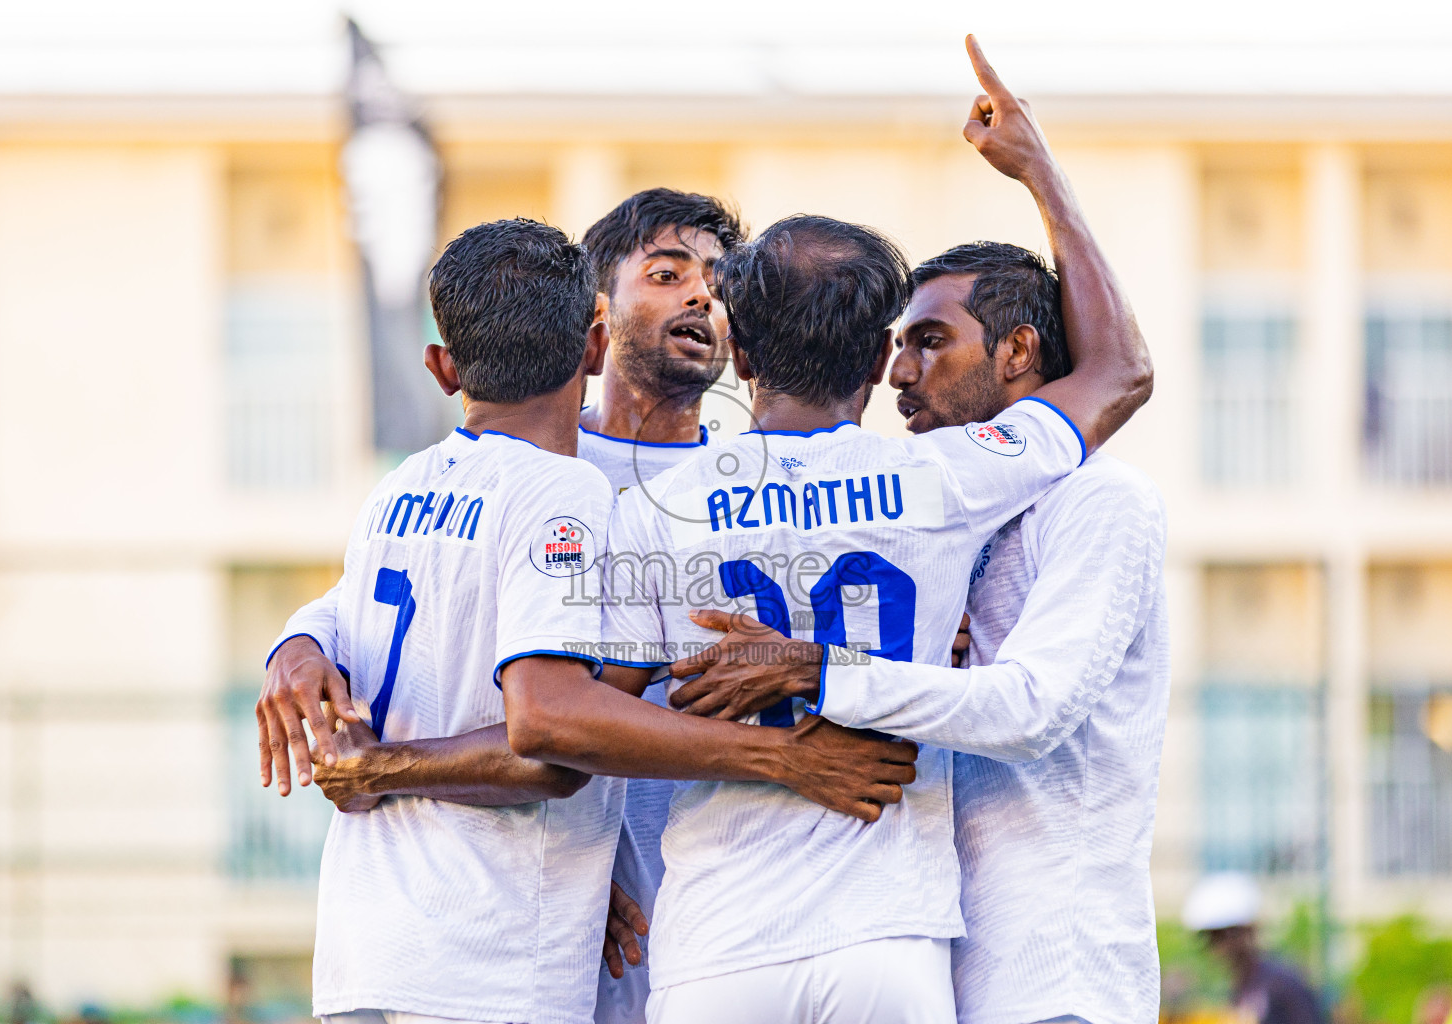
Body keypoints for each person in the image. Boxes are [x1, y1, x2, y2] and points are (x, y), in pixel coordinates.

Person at [593, 37, 1152, 1022]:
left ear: (741, 347)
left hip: (716, 942)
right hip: (888, 940)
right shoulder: (942, 476)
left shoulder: (652, 507)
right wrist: (1039, 171)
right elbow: (1118, 375)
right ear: (876, 354)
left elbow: (592, 722)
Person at [258, 217, 916, 1024]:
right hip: (503, 945)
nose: (702, 292)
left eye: (718, 278)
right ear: (597, 331)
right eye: (669, 272)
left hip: (414, 941)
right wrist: (296, 648)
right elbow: (551, 731)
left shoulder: (406, 485)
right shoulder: (566, 486)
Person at [1183, 873, 1327, 1024]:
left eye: (1228, 934)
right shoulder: (1240, 987)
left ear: (1249, 930)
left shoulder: (1282, 984)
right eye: (1213, 937)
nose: (1221, 946)